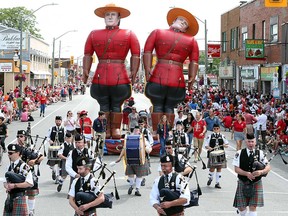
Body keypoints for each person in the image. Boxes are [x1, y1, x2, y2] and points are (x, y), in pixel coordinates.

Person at [82, 3, 140, 139]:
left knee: (116, 105)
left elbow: (136, 54)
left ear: (119, 17)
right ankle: (105, 129)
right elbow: (87, 54)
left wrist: (134, 71)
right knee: (103, 105)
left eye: (113, 14)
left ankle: (115, 129)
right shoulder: (94, 34)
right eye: (107, 14)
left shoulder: (129, 34)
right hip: (100, 76)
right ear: (103, 17)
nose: (109, 17)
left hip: (120, 76)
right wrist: (85, 70)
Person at [143, 7, 199, 134]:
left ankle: (165, 132)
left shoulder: (191, 41)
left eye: (185, 23)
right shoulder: (158, 32)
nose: (182, 23)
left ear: (186, 29)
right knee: (158, 105)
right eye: (180, 20)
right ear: (173, 20)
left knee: (169, 107)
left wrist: (192, 77)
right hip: (161, 75)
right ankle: (157, 132)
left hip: (174, 78)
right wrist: (147, 69)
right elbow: (147, 51)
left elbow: (194, 61)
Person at [232, 134, 271, 216]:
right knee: (241, 207)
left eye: (252, 142)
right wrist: (246, 173)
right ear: (246, 142)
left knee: (253, 206)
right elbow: (236, 169)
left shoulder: (260, 153)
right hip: (243, 181)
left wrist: (261, 172)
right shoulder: (239, 153)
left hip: (256, 182)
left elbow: (268, 166)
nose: (251, 144)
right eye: (249, 141)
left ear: (255, 142)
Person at [114, 126, 151, 196]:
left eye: (137, 130)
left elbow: (149, 149)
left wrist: (146, 148)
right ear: (133, 131)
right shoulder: (129, 139)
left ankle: (137, 189)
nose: (136, 132)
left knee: (139, 175)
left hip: (141, 159)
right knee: (130, 174)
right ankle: (131, 186)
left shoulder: (143, 139)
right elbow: (124, 148)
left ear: (139, 131)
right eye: (135, 130)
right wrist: (119, 158)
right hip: (130, 158)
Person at [15, 130, 44, 216]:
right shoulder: (14, 148)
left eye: (21, 136)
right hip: (18, 173)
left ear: (25, 137)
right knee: (19, 194)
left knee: (31, 194)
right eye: (18, 136)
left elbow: (42, 157)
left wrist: (34, 161)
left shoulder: (31, 147)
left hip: (30, 173)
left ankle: (31, 211)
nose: (19, 138)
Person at [3, 144, 33, 216]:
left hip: (19, 197)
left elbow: (29, 183)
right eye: (8, 153)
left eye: (11, 153)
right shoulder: (9, 166)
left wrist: (14, 185)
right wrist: (6, 186)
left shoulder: (24, 166)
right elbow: (5, 181)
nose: (9, 155)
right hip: (9, 198)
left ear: (18, 153)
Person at [204, 124, 229, 189]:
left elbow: (227, 144)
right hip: (212, 154)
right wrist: (209, 148)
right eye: (215, 129)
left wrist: (224, 145)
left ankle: (217, 183)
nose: (216, 130)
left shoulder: (222, 136)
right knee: (212, 168)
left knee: (219, 168)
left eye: (217, 128)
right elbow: (206, 145)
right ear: (213, 129)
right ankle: (210, 178)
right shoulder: (210, 136)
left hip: (220, 154)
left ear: (219, 129)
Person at [47, 116, 65, 182]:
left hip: (60, 148)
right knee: (53, 161)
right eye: (57, 121)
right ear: (55, 121)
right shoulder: (51, 128)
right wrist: (50, 141)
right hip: (53, 148)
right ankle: (53, 170)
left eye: (59, 121)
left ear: (61, 121)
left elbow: (66, 138)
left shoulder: (64, 129)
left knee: (59, 162)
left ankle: (58, 176)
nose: (58, 122)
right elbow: (47, 137)